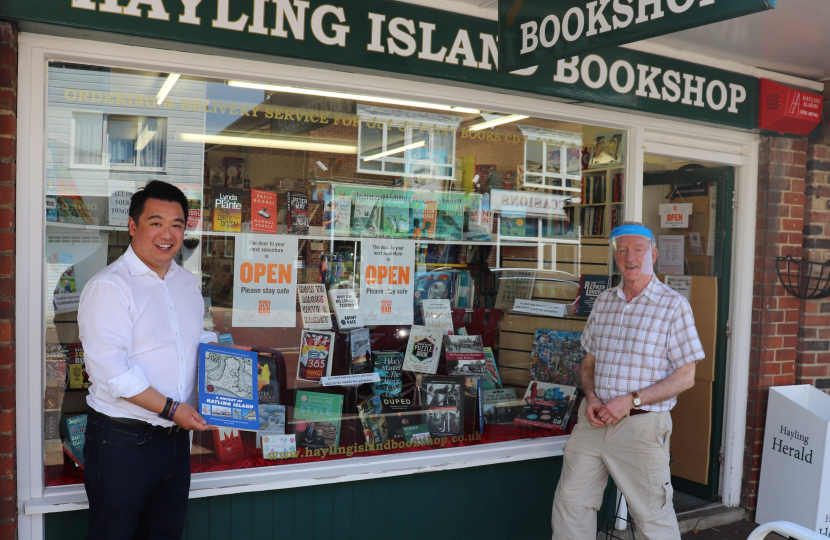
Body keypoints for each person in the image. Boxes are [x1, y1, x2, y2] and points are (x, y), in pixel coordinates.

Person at [78, 180, 249, 540]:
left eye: (176, 224)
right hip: (122, 441)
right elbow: (113, 374)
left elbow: (195, 340)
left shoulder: (186, 283)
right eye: (156, 222)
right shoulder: (110, 286)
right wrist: (174, 410)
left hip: (174, 440)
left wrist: (229, 365)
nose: (167, 234)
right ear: (132, 225)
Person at [551, 222, 704, 540]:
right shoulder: (604, 302)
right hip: (592, 422)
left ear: (654, 254)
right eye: (622, 249)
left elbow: (686, 376)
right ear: (615, 255)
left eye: (638, 249)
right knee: (571, 504)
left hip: (641, 426)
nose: (629, 256)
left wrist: (630, 400)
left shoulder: (673, 306)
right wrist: (591, 397)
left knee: (652, 517)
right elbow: (588, 361)